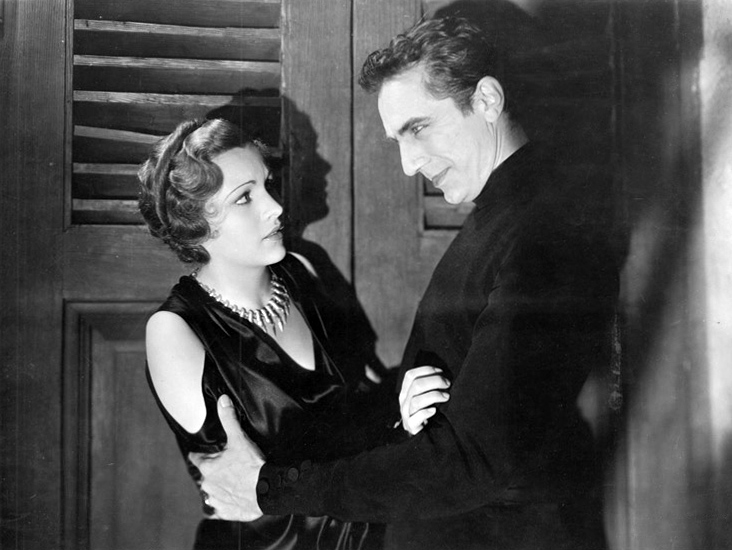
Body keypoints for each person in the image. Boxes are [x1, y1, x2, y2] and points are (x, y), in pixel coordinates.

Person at [191, 16, 620, 550]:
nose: (409, 164)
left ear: (487, 100)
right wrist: (400, 400)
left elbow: (472, 460)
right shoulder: (505, 215)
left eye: (418, 128)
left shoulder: (543, 231)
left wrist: (271, 488)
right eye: (398, 140)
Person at [137, 118, 450, 550]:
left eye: (267, 185)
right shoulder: (174, 330)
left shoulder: (299, 270)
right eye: (245, 197)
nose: (276, 207)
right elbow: (242, 486)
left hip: (361, 533)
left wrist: (404, 409)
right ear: (196, 223)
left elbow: (353, 411)